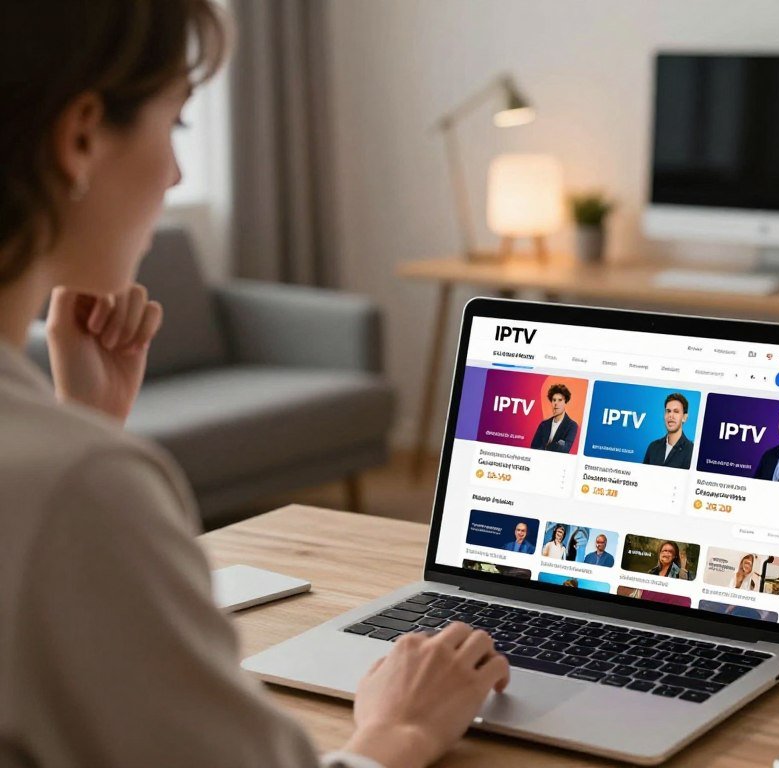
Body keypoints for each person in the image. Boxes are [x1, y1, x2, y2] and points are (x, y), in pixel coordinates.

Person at [0, 4, 508, 767]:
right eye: (175, 123)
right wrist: (398, 731)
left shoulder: (63, 472)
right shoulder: (76, 486)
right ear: (80, 139)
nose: (176, 174)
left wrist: (86, 421)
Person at [642, 393, 694, 469]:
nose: (671, 415)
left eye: (676, 411)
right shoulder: (653, 447)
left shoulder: (691, 451)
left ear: (684, 417)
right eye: (668, 411)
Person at [530, 383, 578, 453]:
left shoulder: (572, 425)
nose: (556, 403)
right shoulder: (543, 424)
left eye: (560, 400)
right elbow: (533, 447)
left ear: (565, 402)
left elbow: (565, 449)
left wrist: (547, 446)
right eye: (554, 400)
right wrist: (557, 444)